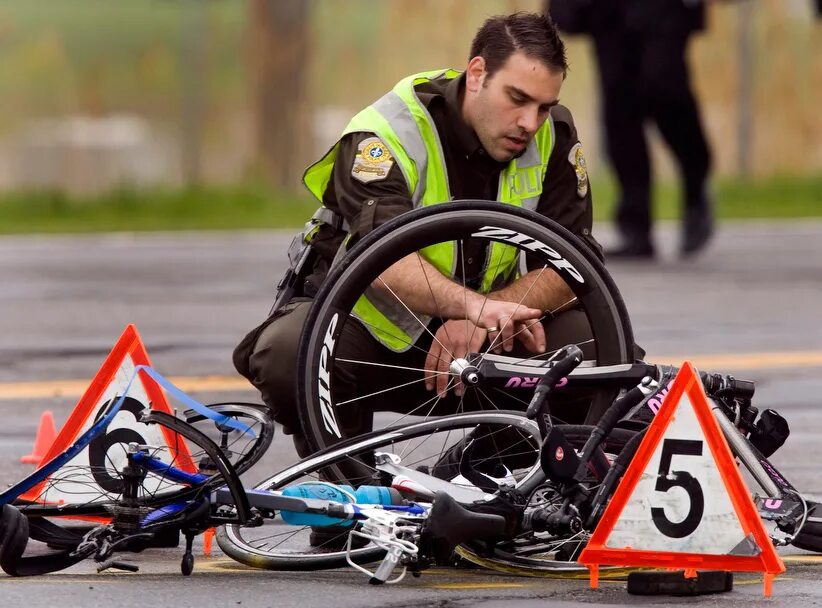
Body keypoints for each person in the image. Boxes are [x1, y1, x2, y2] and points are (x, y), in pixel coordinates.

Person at [234, 12, 604, 463]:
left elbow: (575, 263)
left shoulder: (553, 136)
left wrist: (485, 316)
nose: (530, 122)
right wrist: (473, 306)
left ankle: (483, 479)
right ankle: (346, 487)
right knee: (287, 352)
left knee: (600, 347)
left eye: (544, 106)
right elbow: (379, 258)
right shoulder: (385, 135)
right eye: (517, 98)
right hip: (373, 338)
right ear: (477, 74)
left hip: (481, 340)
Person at [548, 0, 714, 259]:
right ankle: (635, 225)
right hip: (607, 10)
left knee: (665, 86)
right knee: (619, 108)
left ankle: (695, 178)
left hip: (666, 9)